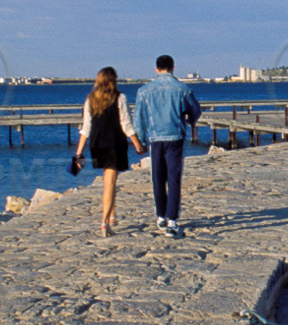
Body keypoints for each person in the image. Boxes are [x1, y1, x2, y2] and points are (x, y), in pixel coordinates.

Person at [132, 54, 201, 237]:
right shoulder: (182, 88)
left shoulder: (144, 91)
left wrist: (140, 141)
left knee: (158, 177)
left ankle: (160, 215)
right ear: (173, 67)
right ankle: (172, 220)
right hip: (175, 137)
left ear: (156, 69)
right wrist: (190, 120)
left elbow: (139, 119)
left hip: (155, 138)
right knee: (174, 177)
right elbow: (195, 110)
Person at [75, 67, 145, 235]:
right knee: (110, 182)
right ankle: (105, 223)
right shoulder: (120, 98)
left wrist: (78, 153)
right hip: (114, 143)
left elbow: (86, 129)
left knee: (109, 178)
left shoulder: (90, 99)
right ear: (114, 80)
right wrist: (137, 145)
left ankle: (112, 215)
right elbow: (126, 124)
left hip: (97, 144)